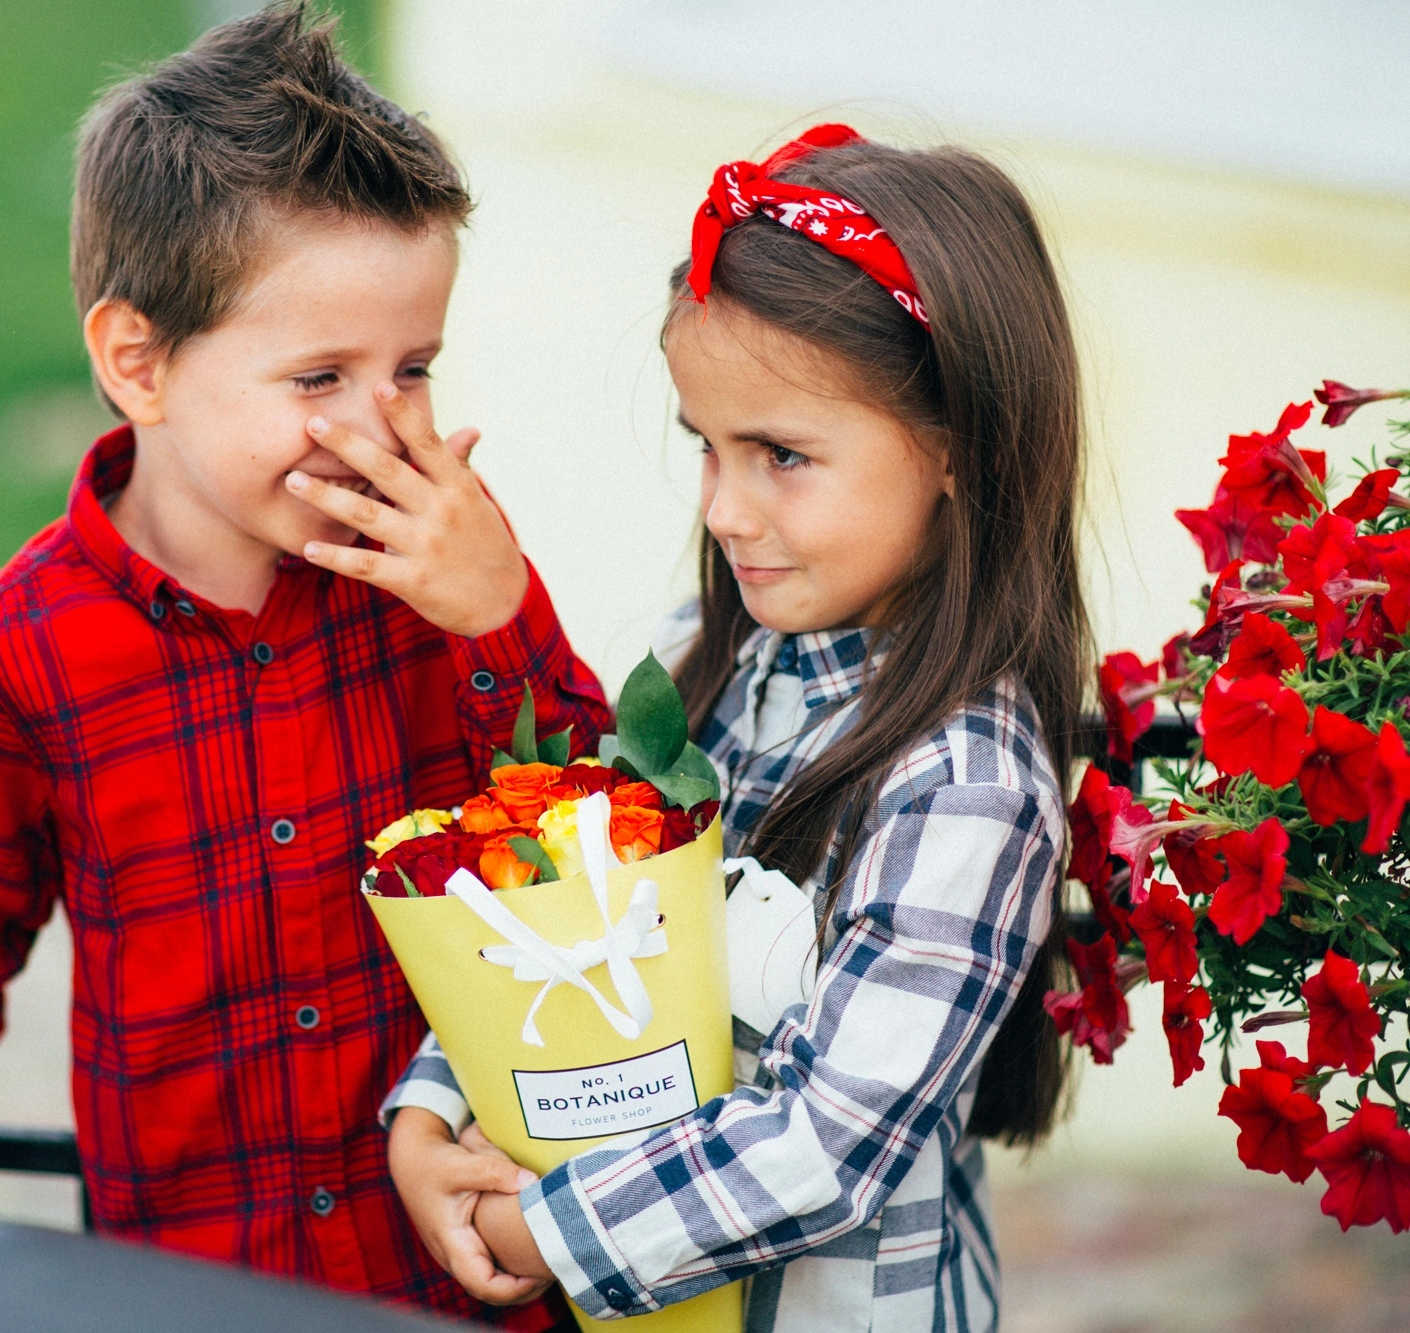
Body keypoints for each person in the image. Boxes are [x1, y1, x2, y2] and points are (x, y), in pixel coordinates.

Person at [0, 7, 609, 1329]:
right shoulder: (14, 657)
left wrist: (498, 617)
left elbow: (602, 856)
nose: (378, 426)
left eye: (412, 368)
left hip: (459, 1269)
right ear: (140, 364)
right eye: (318, 375)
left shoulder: (445, 571)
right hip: (194, 1285)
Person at [382, 125, 1091, 1332]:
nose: (721, 507)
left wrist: (531, 1228)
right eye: (704, 447)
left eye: (780, 454)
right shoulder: (695, 664)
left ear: (959, 448)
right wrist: (430, 1114)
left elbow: (822, 1150)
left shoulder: (966, 783)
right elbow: (558, 907)